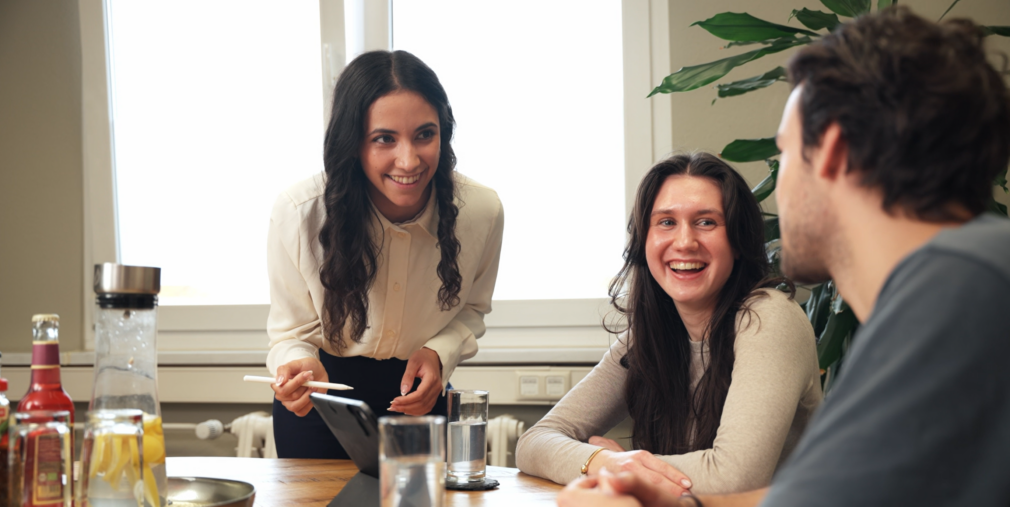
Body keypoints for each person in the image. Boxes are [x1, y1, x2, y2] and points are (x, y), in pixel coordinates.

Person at [557, 6, 1010, 507]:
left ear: (831, 151)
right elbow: (828, 495)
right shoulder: (957, 280)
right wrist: (665, 496)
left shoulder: (956, 289)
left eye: (785, 151)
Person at [516, 152, 822, 495]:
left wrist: (626, 472)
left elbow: (734, 477)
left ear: (737, 241)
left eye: (706, 222)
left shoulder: (769, 317)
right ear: (644, 241)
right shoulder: (650, 334)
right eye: (666, 222)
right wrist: (608, 463)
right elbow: (534, 442)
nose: (685, 242)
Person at [265, 50, 504, 459]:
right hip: (322, 400)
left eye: (425, 135)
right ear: (353, 142)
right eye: (384, 139)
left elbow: (472, 310)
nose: (409, 160)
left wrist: (439, 353)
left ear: (444, 133)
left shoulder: (481, 212)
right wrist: (296, 362)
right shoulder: (299, 212)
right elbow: (291, 332)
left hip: (419, 399)